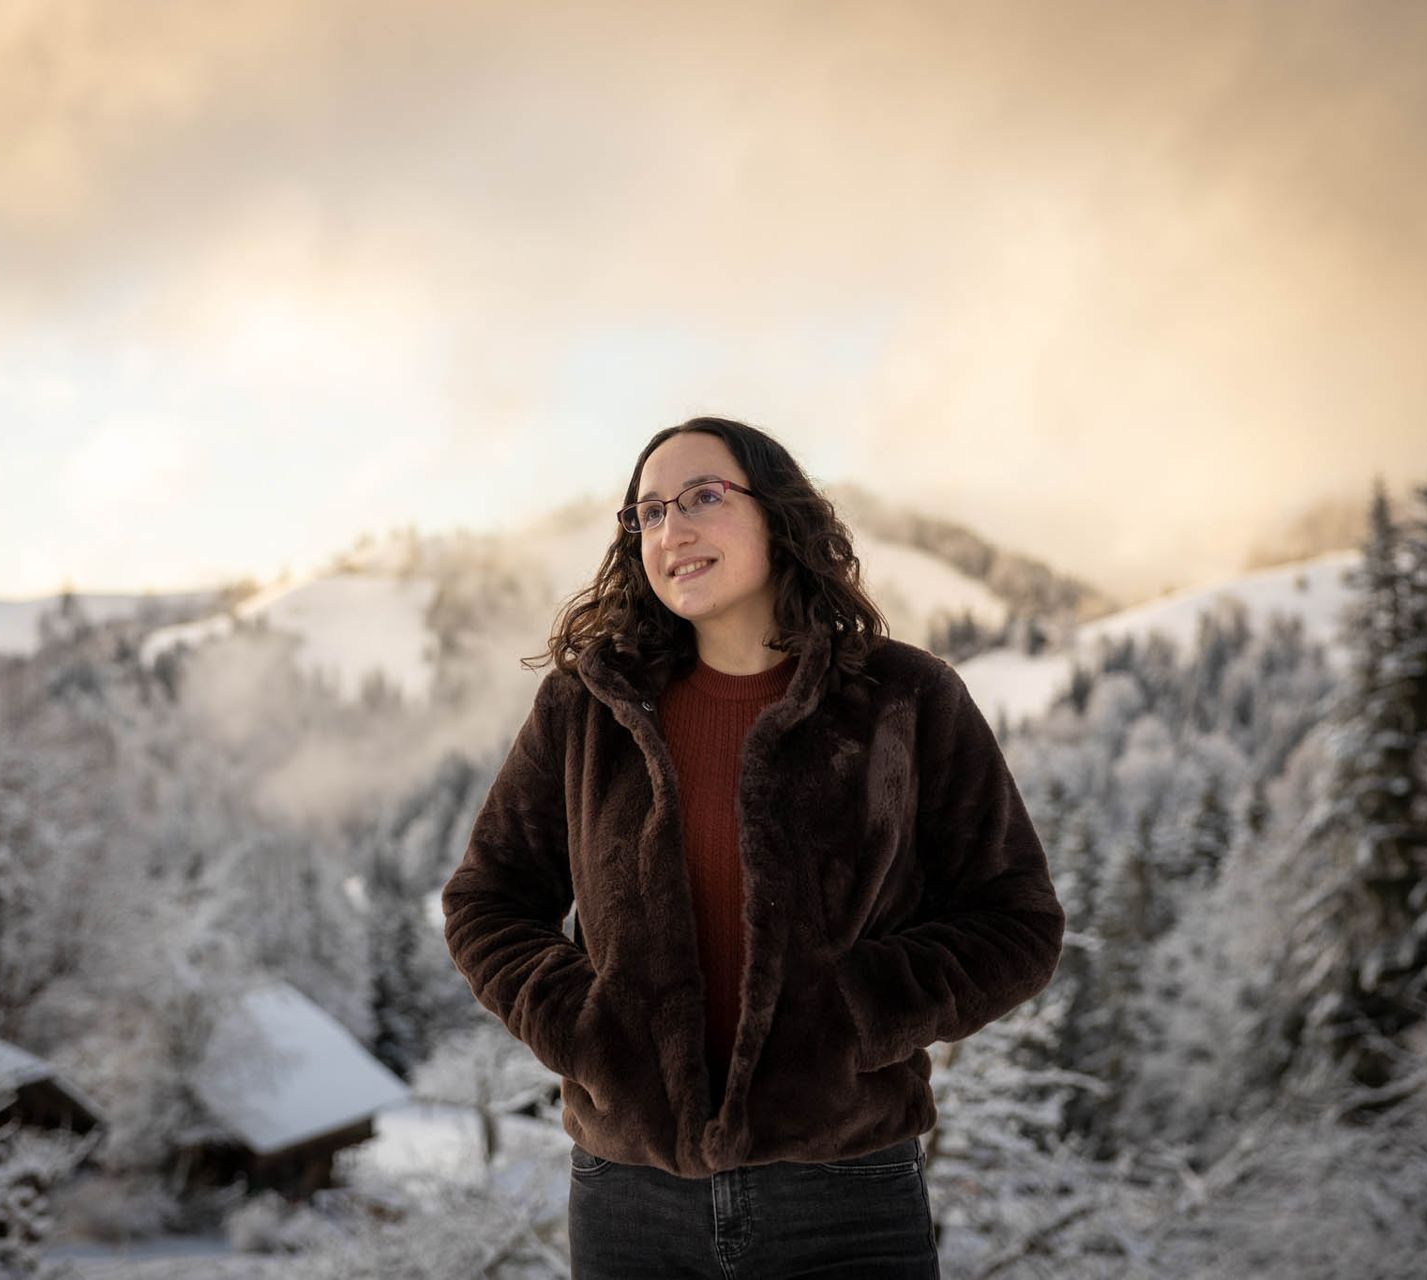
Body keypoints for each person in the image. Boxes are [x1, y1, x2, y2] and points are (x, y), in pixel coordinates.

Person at [442, 417, 1066, 1278]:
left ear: (777, 514)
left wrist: (850, 1015)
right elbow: (486, 900)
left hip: (845, 1190)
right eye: (649, 513)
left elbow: (1016, 922)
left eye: (704, 497)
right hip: (631, 1203)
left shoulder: (904, 699)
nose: (674, 530)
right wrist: (588, 1028)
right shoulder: (587, 708)